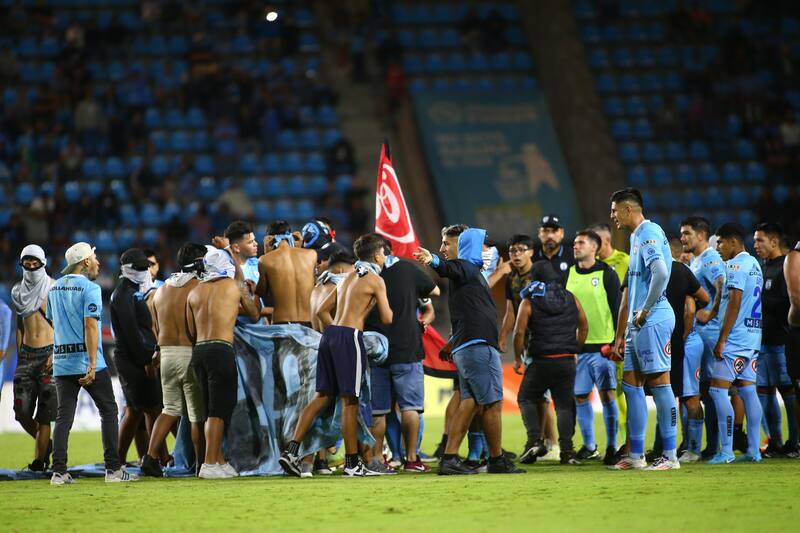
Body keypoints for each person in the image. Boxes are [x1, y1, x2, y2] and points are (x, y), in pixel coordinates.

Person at [280, 234, 393, 477]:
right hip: (349, 338)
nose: (385, 257)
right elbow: (387, 318)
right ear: (376, 255)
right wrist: (369, 309)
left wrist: (338, 332)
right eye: (384, 253)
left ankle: (291, 451)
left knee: (321, 397)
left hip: (329, 336)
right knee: (350, 403)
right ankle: (352, 463)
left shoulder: (346, 277)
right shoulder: (375, 280)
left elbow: (322, 311)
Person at [414, 226, 523, 474]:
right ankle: (496, 460)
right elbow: (448, 267)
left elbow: (467, 310)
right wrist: (433, 260)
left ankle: (450, 458)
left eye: (446, 243)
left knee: (470, 402)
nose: (442, 248)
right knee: (492, 404)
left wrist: (453, 341)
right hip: (478, 346)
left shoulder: (468, 274)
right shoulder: (465, 268)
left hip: (466, 345)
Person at [48, 242, 136, 484]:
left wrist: (57, 351)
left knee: (63, 417)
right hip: (87, 362)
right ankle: (113, 470)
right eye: (94, 257)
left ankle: (58, 472)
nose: (98, 262)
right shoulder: (90, 288)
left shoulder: (54, 288)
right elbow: (90, 325)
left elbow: (54, 323)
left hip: (62, 362)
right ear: (86, 261)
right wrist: (92, 364)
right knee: (109, 411)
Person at [609, 188, 679, 470]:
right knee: (631, 386)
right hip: (637, 323)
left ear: (628, 209)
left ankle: (670, 455)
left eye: (615, 210)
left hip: (653, 318)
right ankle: (636, 455)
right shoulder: (636, 235)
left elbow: (661, 271)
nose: (613, 215)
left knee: (660, 385)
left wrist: (646, 308)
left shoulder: (648, 232)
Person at [365, 239, 440, 473]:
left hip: (375, 350)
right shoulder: (408, 269)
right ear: (383, 253)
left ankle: (377, 460)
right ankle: (412, 459)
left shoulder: (361, 276)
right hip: (407, 348)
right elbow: (435, 291)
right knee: (411, 408)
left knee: (378, 411)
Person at [187, 247, 260, 479]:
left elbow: (191, 331)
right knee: (218, 411)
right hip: (221, 349)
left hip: (199, 351)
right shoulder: (233, 285)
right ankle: (209, 463)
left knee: (210, 408)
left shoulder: (195, 291)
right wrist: (250, 291)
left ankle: (218, 460)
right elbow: (254, 313)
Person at [140, 243, 208, 477]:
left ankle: (150, 457)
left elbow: (155, 326)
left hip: (166, 354)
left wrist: (158, 350)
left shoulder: (161, 289)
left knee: (169, 409)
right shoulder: (199, 287)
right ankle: (201, 465)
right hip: (189, 353)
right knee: (197, 415)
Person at [514, 261, 589, 465]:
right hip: (566, 360)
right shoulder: (571, 298)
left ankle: (534, 440)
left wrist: (517, 357)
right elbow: (584, 325)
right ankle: (567, 451)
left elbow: (519, 332)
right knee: (564, 406)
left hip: (541, 361)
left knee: (526, 397)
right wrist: (574, 348)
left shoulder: (529, 301)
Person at [707, 223, 764, 464]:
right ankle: (753, 450)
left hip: (735, 340)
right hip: (752, 338)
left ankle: (727, 450)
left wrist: (722, 339)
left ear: (733, 242)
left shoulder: (735, 265)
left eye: (720, 242)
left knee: (717, 390)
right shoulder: (754, 264)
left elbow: (734, 302)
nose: (717, 247)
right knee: (748, 391)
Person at [566, 230, 620, 465]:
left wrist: (618, 342)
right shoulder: (568, 274)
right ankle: (589, 446)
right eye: (574, 243)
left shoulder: (607, 273)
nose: (575, 246)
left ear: (594, 248)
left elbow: (618, 308)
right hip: (577, 348)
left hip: (603, 348)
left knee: (607, 394)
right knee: (580, 396)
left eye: (581, 243)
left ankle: (612, 445)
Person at [680, 216, 727, 458]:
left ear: (701, 236)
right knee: (706, 393)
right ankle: (710, 446)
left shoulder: (710, 258)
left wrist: (711, 312)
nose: (682, 238)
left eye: (687, 233)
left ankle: (707, 446)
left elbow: (723, 284)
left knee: (708, 391)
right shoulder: (696, 260)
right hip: (700, 334)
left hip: (708, 334)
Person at [110, 248, 162, 465]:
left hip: (134, 357)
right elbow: (132, 334)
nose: (144, 271)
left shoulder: (132, 290)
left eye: (145, 267)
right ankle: (156, 459)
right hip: (134, 359)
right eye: (139, 267)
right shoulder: (123, 294)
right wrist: (146, 360)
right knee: (152, 409)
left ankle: (117, 460)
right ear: (126, 269)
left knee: (134, 412)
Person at [10, 244, 56, 471]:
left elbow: (62, 324)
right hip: (26, 356)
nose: (30, 267)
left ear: (42, 263)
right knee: (21, 412)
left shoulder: (54, 288)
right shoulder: (17, 292)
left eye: (34, 263)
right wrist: (20, 353)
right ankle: (46, 445)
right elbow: (19, 325)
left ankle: (39, 461)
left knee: (45, 414)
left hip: (49, 354)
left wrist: (56, 353)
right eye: (26, 263)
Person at [663, 237, 710, 463]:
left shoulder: (676, 271)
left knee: (690, 397)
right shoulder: (679, 272)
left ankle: (694, 448)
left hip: (686, 343)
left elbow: (691, 308)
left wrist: (685, 332)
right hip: (680, 341)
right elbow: (703, 299)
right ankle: (687, 445)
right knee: (681, 396)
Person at [753, 223, 798, 456]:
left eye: (760, 240)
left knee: (788, 392)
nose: (755, 245)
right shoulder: (761, 268)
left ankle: (795, 442)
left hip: (781, 340)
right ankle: (775, 441)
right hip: (761, 342)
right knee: (764, 391)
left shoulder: (786, 266)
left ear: (774, 242)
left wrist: (758, 301)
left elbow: (787, 303)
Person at [256, 220, 317, 326]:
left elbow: (262, 293)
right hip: (309, 322)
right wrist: (300, 247)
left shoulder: (265, 260)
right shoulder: (312, 255)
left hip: (282, 323)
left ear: (269, 239)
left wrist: (267, 252)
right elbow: (313, 283)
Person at [310, 249, 355, 332]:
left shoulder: (316, 289)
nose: (355, 276)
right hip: (332, 338)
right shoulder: (339, 289)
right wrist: (339, 336)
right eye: (353, 271)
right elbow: (322, 313)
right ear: (341, 271)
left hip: (315, 337)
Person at [534, 214, 574, 283]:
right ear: (539, 233)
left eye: (554, 231)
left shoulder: (573, 256)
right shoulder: (531, 257)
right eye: (545, 231)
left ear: (562, 233)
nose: (550, 236)